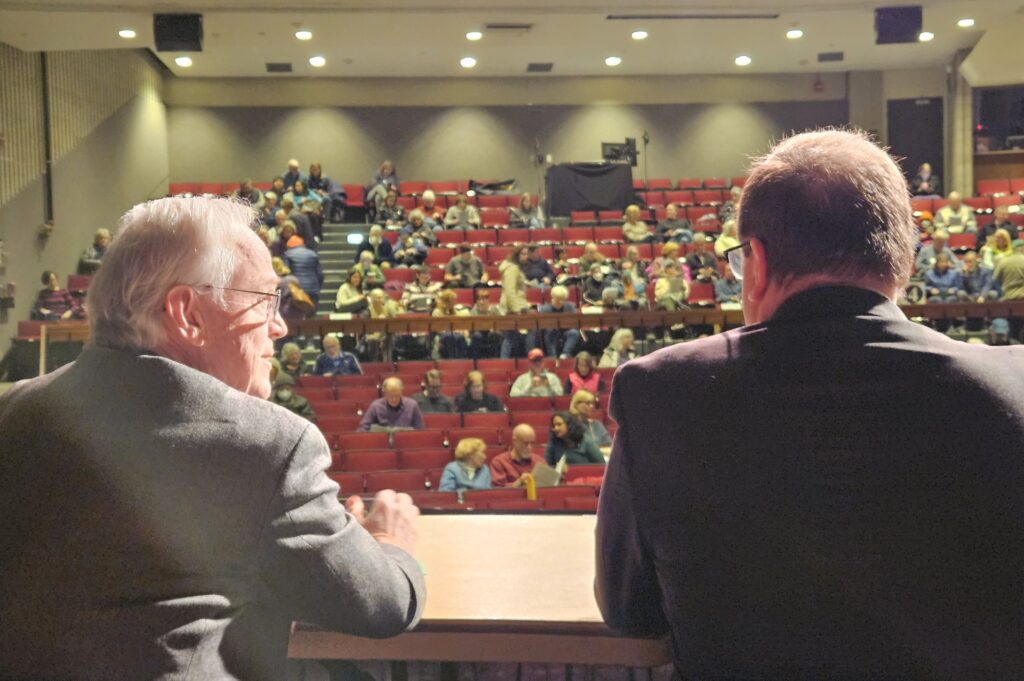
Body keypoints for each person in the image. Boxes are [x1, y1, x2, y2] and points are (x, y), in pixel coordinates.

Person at [596, 129, 1024, 681]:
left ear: (757, 261)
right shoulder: (1014, 384)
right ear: (904, 261)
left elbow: (629, 612)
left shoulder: (660, 392)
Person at [0, 196, 424, 679]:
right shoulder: (265, 444)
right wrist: (390, 538)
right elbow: (382, 604)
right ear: (188, 313)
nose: (280, 327)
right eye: (266, 301)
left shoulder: (12, 412)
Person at [358, 376, 425, 431]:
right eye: (390, 396)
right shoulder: (376, 406)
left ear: (401, 391)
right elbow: (363, 429)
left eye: (397, 395)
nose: (394, 399)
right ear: (384, 393)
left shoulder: (412, 405)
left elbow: (420, 430)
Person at [537, 285, 580, 358]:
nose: (560, 301)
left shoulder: (570, 307)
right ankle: (552, 357)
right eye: (558, 299)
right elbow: (542, 325)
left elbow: (574, 322)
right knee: (549, 332)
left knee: (574, 333)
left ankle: (565, 355)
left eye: (562, 299)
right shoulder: (544, 309)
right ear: (553, 297)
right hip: (552, 332)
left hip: (566, 330)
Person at [283, 236, 323, 306]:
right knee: (311, 313)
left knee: (297, 314)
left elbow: (286, 273)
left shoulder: (288, 254)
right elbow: (320, 274)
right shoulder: (313, 254)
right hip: (313, 289)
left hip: (297, 290)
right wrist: (318, 287)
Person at [432, 289, 470, 358]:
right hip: (442, 335)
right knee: (451, 336)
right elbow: (438, 329)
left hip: (454, 333)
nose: (454, 303)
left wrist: (462, 330)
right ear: (447, 301)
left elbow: (457, 323)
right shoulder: (437, 312)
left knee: (460, 337)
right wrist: (452, 331)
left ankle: (461, 359)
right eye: (453, 301)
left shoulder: (453, 310)